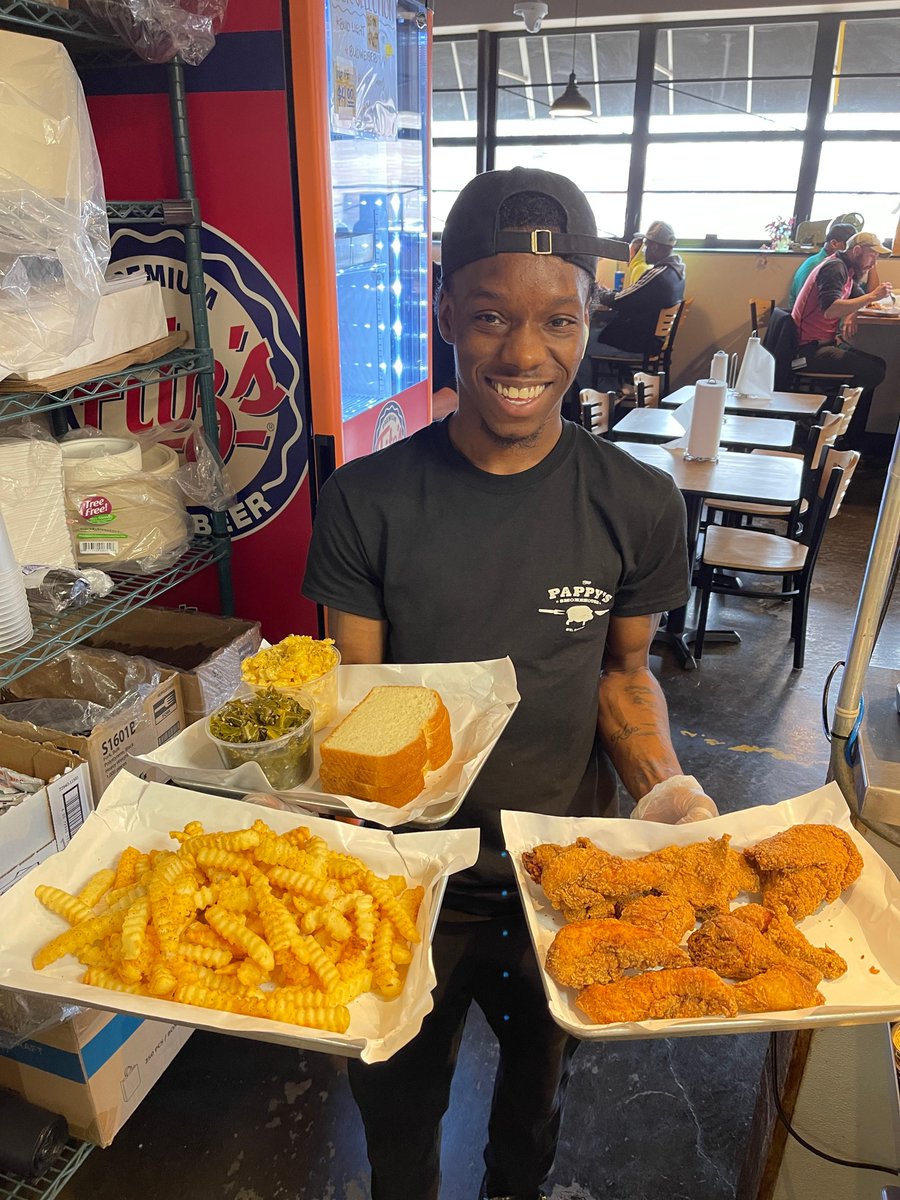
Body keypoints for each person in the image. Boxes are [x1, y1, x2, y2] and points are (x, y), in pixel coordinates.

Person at [302, 166, 716, 1200]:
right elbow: (354, 693)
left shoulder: (637, 500)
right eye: (489, 316)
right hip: (409, 887)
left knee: (530, 1123)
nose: (524, 354)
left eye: (558, 321)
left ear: (589, 320)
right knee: (396, 1125)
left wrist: (665, 785)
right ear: (445, 312)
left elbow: (626, 672)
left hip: (556, 880)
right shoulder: (366, 500)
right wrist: (305, 785)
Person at [574, 219, 685, 392]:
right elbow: (632, 298)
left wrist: (598, 290)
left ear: (656, 247)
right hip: (651, 341)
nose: (644, 250)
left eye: (646, 246)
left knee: (581, 344)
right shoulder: (676, 273)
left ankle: (597, 399)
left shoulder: (658, 275)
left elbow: (621, 301)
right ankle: (613, 389)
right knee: (595, 333)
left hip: (638, 344)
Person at [791, 230, 893, 398]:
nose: (874, 263)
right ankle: (833, 413)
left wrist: (866, 303)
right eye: (872, 256)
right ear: (857, 250)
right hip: (806, 351)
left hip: (825, 343)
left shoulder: (847, 270)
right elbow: (830, 310)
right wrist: (873, 295)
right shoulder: (835, 267)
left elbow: (862, 300)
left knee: (878, 365)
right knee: (874, 371)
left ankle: (838, 411)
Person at [788, 219, 857, 305]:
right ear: (834, 244)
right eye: (849, 247)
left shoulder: (840, 265)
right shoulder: (816, 265)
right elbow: (805, 303)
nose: (854, 253)